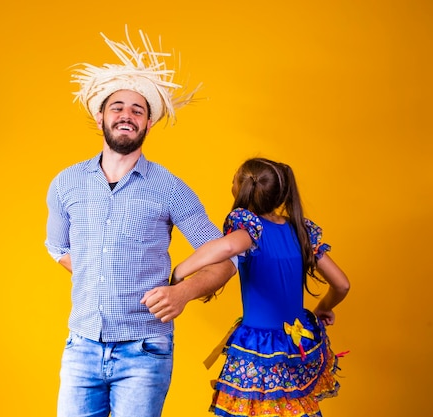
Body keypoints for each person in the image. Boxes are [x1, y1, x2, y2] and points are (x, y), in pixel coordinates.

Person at [44, 26, 237, 417]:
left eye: (137, 110)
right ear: (100, 118)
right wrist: (97, 272)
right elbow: (58, 247)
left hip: (144, 350)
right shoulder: (66, 183)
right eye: (117, 108)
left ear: (148, 124)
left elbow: (226, 259)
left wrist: (182, 293)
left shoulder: (170, 188)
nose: (126, 116)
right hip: (81, 347)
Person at [170, 157, 350, 417]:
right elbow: (342, 285)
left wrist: (179, 272)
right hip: (298, 341)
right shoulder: (300, 231)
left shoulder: (249, 228)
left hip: (260, 347)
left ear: (241, 189)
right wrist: (323, 308)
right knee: (295, 408)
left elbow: (228, 247)